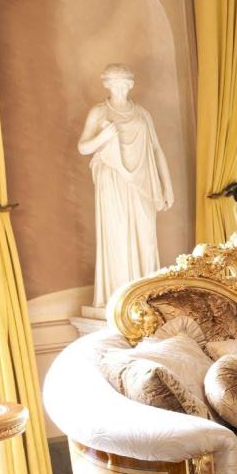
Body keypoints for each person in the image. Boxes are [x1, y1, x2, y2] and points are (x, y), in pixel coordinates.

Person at [77, 64, 173, 308]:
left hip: (143, 181)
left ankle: (147, 296)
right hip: (112, 178)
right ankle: (121, 299)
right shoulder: (99, 112)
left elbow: (156, 149)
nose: (120, 89)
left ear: (130, 85)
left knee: (146, 238)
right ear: (107, 85)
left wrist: (167, 187)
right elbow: (83, 147)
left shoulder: (142, 114)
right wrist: (102, 137)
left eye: (124, 84)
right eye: (115, 84)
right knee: (118, 236)